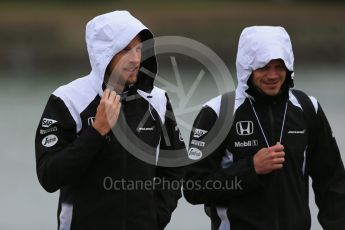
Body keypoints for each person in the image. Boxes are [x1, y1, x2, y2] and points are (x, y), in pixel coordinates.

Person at [35, 10, 185, 230]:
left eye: (138, 49)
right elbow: (49, 176)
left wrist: (156, 216)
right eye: (125, 50)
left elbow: (176, 165)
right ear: (103, 54)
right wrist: (96, 132)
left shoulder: (158, 100)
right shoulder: (67, 100)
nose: (135, 59)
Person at [183, 26, 345, 230]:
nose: (273, 75)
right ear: (247, 68)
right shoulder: (217, 113)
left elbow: (332, 181)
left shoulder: (306, 108)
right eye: (263, 67)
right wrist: (251, 169)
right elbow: (193, 189)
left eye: (279, 66)